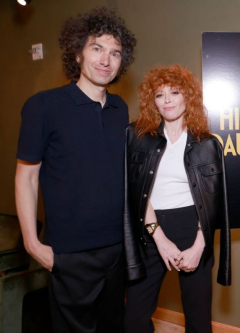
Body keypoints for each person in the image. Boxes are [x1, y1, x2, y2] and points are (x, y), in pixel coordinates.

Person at [15, 7, 136, 332]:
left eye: (115, 53)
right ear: (78, 52)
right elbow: (26, 177)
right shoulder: (43, 106)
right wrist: (32, 243)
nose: (106, 60)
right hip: (68, 254)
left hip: (116, 250)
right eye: (97, 48)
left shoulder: (119, 109)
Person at [123, 64, 231, 333]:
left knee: (198, 321)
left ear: (188, 97)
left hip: (193, 230)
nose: (167, 100)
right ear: (153, 101)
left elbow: (214, 202)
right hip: (150, 230)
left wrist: (198, 246)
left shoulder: (207, 143)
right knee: (133, 320)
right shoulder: (136, 137)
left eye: (174, 92)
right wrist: (158, 237)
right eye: (159, 95)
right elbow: (135, 194)